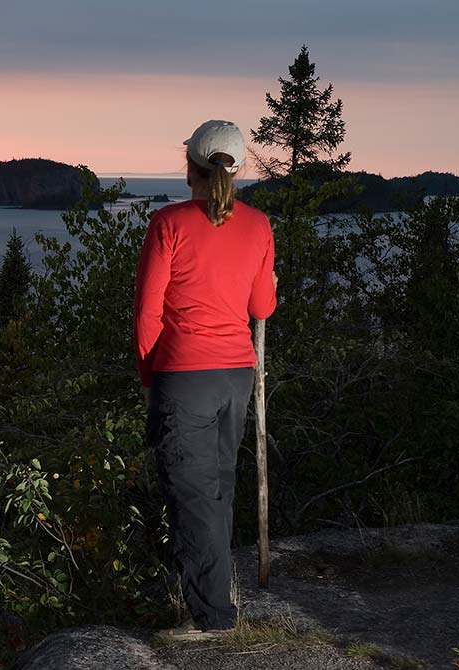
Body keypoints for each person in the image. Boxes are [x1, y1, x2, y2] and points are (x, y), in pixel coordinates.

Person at [132, 119, 278, 641]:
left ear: (188, 164)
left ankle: (213, 619)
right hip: (235, 375)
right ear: (236, 170)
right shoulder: (259, 226)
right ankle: (219, 596)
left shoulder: (168, 223)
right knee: (214, 487)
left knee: (190, 492)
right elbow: (262, 306)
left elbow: (148, 313)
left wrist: (151, 378)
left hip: (185, 376)